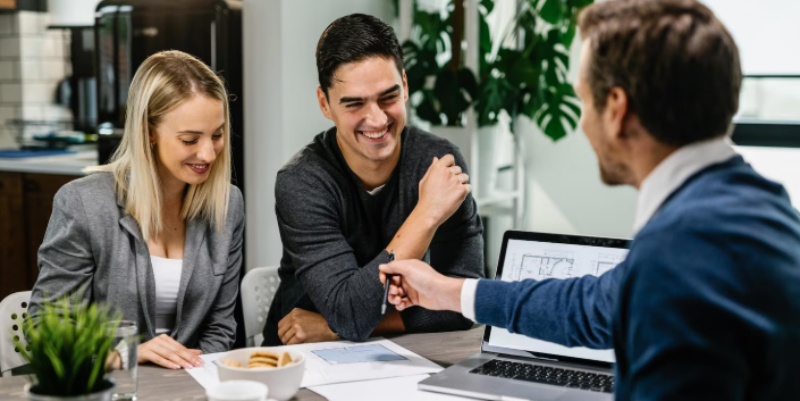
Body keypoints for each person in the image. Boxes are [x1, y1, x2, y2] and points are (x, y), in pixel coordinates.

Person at [380, 0, 800, 399]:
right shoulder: (757, 207)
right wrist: (449, 292)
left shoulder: (681, 253)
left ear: (616, 108)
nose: (581, 120)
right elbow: (592, 307)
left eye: (583, 99)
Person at [263, 13, 485, 346]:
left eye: (388, 97)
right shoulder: (302, 182)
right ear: (325, 103)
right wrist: (427, 214)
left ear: (405, 87)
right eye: (354, 104)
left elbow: (465, 302)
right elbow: (351, 312)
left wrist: (336, 324)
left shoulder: (439, 163)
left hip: (403, 356)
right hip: (305, 359)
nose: (377, 119)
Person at [29, 50, 245, 370]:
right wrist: (126, 356)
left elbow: (220, 326)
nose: (208, 153)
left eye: (217, 135)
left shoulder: (227, 205)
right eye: (189, 139)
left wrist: (187, 379)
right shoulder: (83, 204)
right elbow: (46, 331)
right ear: (148, 132)